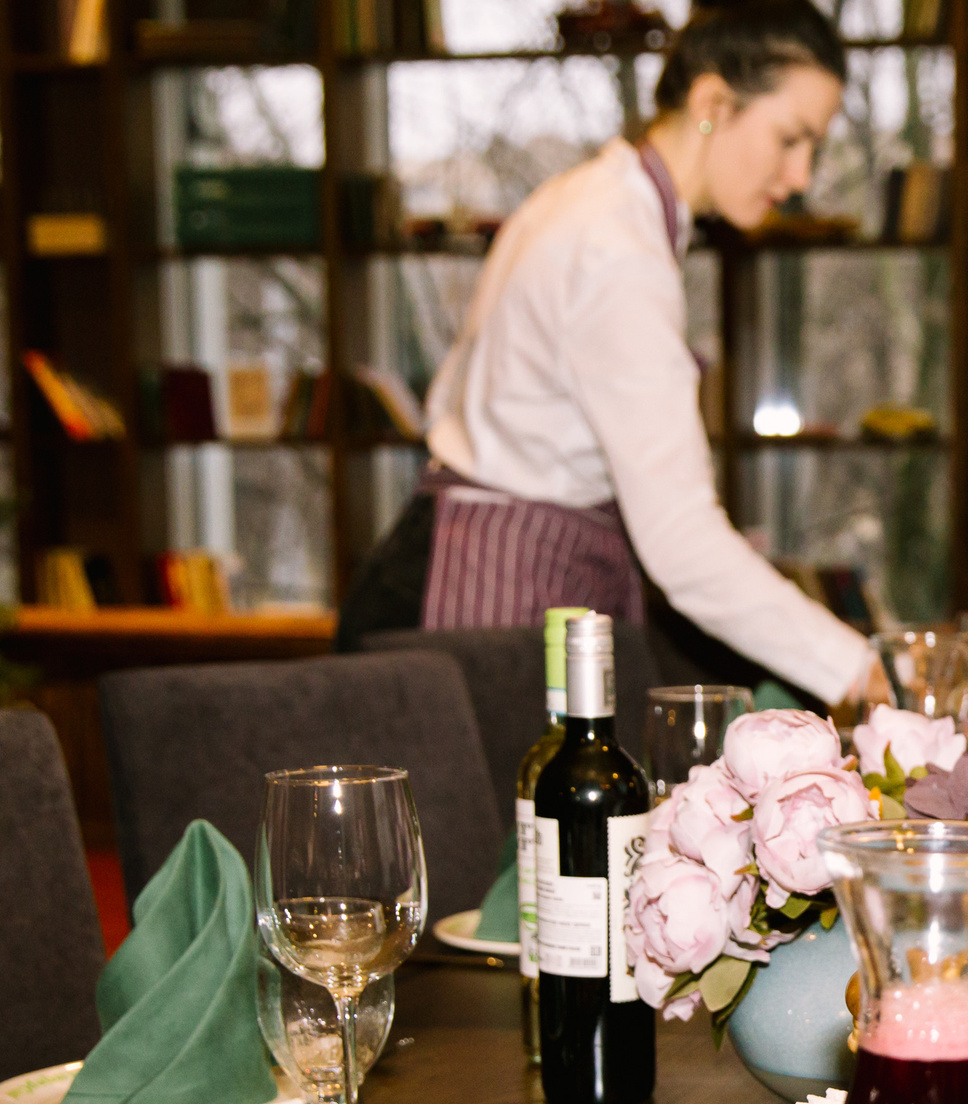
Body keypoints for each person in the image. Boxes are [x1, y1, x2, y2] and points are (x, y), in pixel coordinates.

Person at [338, 0, 879, 707]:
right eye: (790, 138)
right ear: (712, 103)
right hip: (497, 587)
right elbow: (683, 543)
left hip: (465, 556)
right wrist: (859, 670)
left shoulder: (590, 200)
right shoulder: (618, 249)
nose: (802, 174)